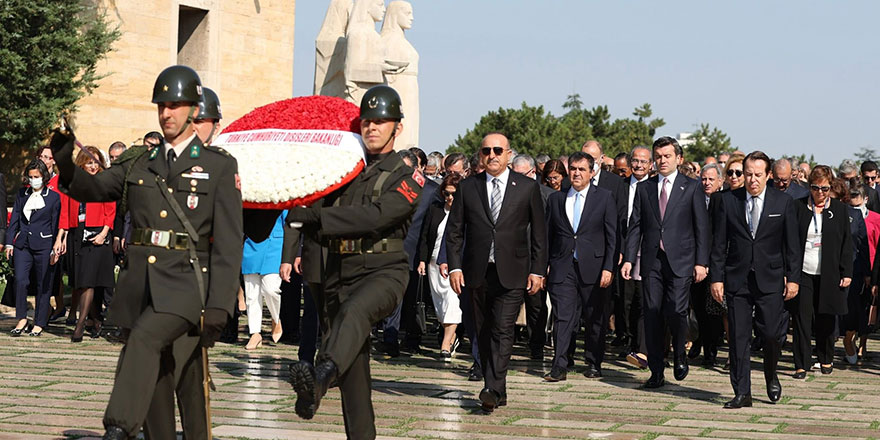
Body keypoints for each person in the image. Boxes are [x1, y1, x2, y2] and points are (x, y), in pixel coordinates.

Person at [50, 65, 242, 440]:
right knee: (158, 386)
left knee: (143, 341)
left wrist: (220, 303)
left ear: (192, 108)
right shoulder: (141, 162)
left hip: (188, 285)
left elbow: (229, 242)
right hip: (142, 287)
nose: (166, 113)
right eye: (161, 106)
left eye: (175, 105)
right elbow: (94, 187)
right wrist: (64, 160)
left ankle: (118, 428)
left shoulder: (219, 166)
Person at [286, 85, 423, 439]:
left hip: (384, 270)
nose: (372, 128)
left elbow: (378, 216)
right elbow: (308, 208)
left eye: (381, 121)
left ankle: (319, 377)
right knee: (354, 370)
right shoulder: (344, 169)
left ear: (398, 127)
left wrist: (321, 221)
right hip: (340, 270)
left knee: (356, 313)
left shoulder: (406, 175)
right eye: (366, 121)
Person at [446, 132, 547, 412]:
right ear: (480, 155)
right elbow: (454, 231)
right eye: (486, 151)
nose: (492, 155)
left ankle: (491, 387)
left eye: (497, 150)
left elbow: (539, 233)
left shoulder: (527, 187)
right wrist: (454, 265)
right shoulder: (468, 187)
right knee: (482, 330)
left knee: (503, 329)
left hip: (513, 271)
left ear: (508, 154)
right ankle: (497, 390)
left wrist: (538, 270)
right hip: (476, 272)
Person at [710, 150, 802, 409]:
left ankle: (771, 374)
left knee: (771, 334)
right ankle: (742, 392)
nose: (751, 180)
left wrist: (793, 279)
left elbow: (792, 245)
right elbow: (718, 244)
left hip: (771, 278)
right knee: (738, 337)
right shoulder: (728, 201)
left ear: (768, 175)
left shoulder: (782, 203)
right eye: (747, 174)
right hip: (737, 278)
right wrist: (716, 278)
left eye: (757, 175)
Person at [621, 136, 709, 389]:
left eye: (667, 156)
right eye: (658, 156)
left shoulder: (691, 187)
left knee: (676, 310)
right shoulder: (645, 188)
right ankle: (656, 371)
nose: (662, 160)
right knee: (651, 313)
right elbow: (635, 226)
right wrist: (629, 259)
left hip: (681, 261)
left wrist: (701, 262)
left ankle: (680, 351)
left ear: (678, 159)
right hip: (652, 261)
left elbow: (701, 228)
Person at [543, 152, 617, 381]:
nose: (576, 173)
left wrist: (608, 267)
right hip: (563, 267)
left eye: (581, 169)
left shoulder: (604, 198)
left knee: (595, 318)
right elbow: (547, 236)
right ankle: (559, 365)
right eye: (573, 169)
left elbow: (612, 237)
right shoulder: (556, 199)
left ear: (591, 173)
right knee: (563, 317)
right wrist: (543, 265)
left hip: (593, 267)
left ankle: (594, 362)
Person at [788, 166, 853, 378]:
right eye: (816, 188)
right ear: (809, 187)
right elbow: (789, 241)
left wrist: (847, 272)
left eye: (825, 189)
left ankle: (825, 357)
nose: (820, 193)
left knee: (826, 317)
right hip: (803, 270)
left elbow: (846, 243)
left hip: (829, 271)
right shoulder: (797, 207)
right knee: (801, 318)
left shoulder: (840, 210)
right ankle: (801, 363)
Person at [56, 146, 116, 342]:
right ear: (82, 162)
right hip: (77, 232)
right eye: (89, 162)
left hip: (98, 232)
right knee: (83, 280)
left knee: (89, 280)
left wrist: (104, 232)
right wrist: (61, 236)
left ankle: (80, 324)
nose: (92, 166)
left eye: (96, 162)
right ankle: (95, 319)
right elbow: (65, 210)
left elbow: (111, 209)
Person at [6, 159, 60, 337]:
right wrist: (9, 242)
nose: (33, 180)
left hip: (44, 245)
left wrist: (55, 247)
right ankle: (21, 318)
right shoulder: (22, 194)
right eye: (30, 177)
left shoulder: (53, 197)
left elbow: (55, 224)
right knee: (21, 281)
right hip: (23, 245)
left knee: (43, 284)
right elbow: (14, 219)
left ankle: (39, 322)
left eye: (36, 176)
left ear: (43, 177)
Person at [512, 153, 554, 359]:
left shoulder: (547, 195)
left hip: (536, 258)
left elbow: (550, 232)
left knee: (536, 305)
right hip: (511, 258)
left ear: (533, 172)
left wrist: (545, 263)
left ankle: (536, 344)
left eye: (522, 175)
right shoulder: (507, 193)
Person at [417, 173, 463, 360]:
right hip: (433, 264)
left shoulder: (465, 214)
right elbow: (425, 236)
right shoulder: (435, 209)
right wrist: (422, 260)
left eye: (453, 194)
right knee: (440, 306)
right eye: (446, 193)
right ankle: (451, 338)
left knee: (452, 303)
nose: (450, 197)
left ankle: (446, 344)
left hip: (454, 266)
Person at [689, 162, 725, 366]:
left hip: (716, 261)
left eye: (711, 179)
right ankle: (698, 341)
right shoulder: (694, 197)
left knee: (714, 309)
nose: (707, 183)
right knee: (697, 307)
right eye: (704, 179)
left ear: (720, 181)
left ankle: (711, 349)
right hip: (694, 261)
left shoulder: (724, 201)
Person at [618, 146, 651, 365]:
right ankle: (630, 343)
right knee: (625, 302)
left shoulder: (653, 187)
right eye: (635, 161)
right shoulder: (618, 187)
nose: (638, 165)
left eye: (643, 161)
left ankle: (643, 349)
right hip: (622, 251)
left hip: (646, 252)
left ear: (650, 164)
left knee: (643, 301)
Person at [242, 210, 287, 350]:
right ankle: (255, 333)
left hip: (275, 243)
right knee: (251, 293)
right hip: (252, 243)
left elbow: (288, 221)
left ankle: (276, 318)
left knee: (271, 289)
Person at [846, 183, 876, 363]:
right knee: (851, 308)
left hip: (869, 268)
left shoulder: (876, 219)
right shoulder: (847, 215)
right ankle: (849, 338)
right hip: (852, 268)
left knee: (865, 309)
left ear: (865, 199)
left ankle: (863, 344)